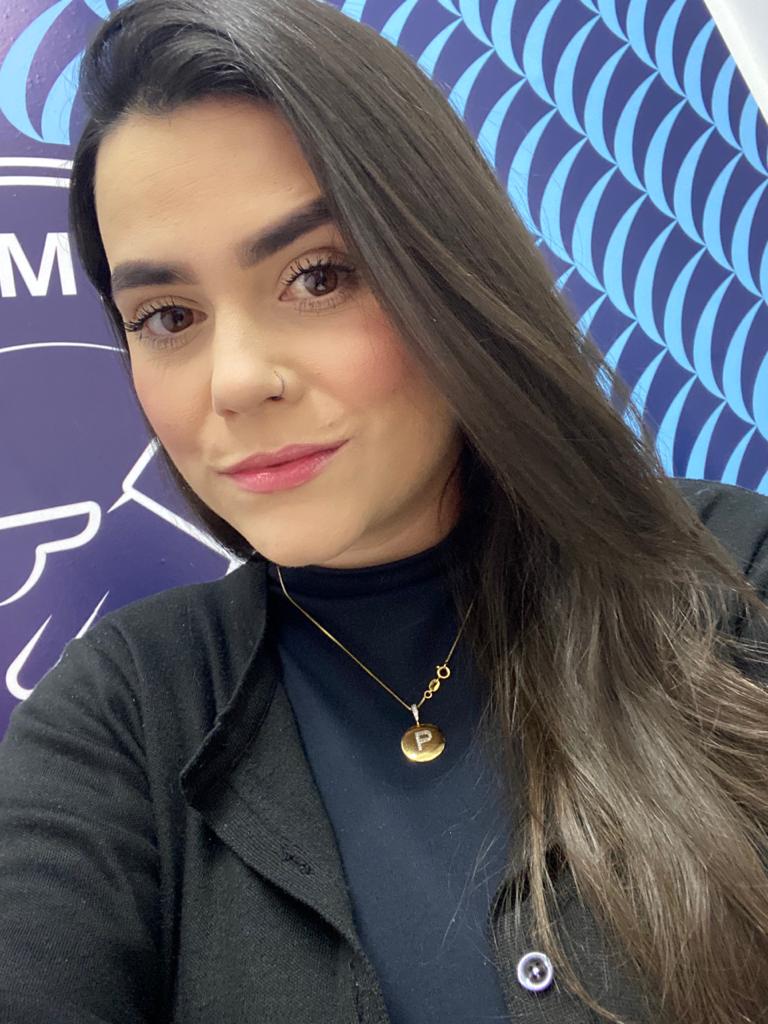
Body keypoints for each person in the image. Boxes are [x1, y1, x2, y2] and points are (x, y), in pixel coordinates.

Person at [2, 0, 768, 1021]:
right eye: (168, 316)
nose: (236, 380)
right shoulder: (124, 719)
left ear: (449, 269)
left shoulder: (731, 580)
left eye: (318, 276)